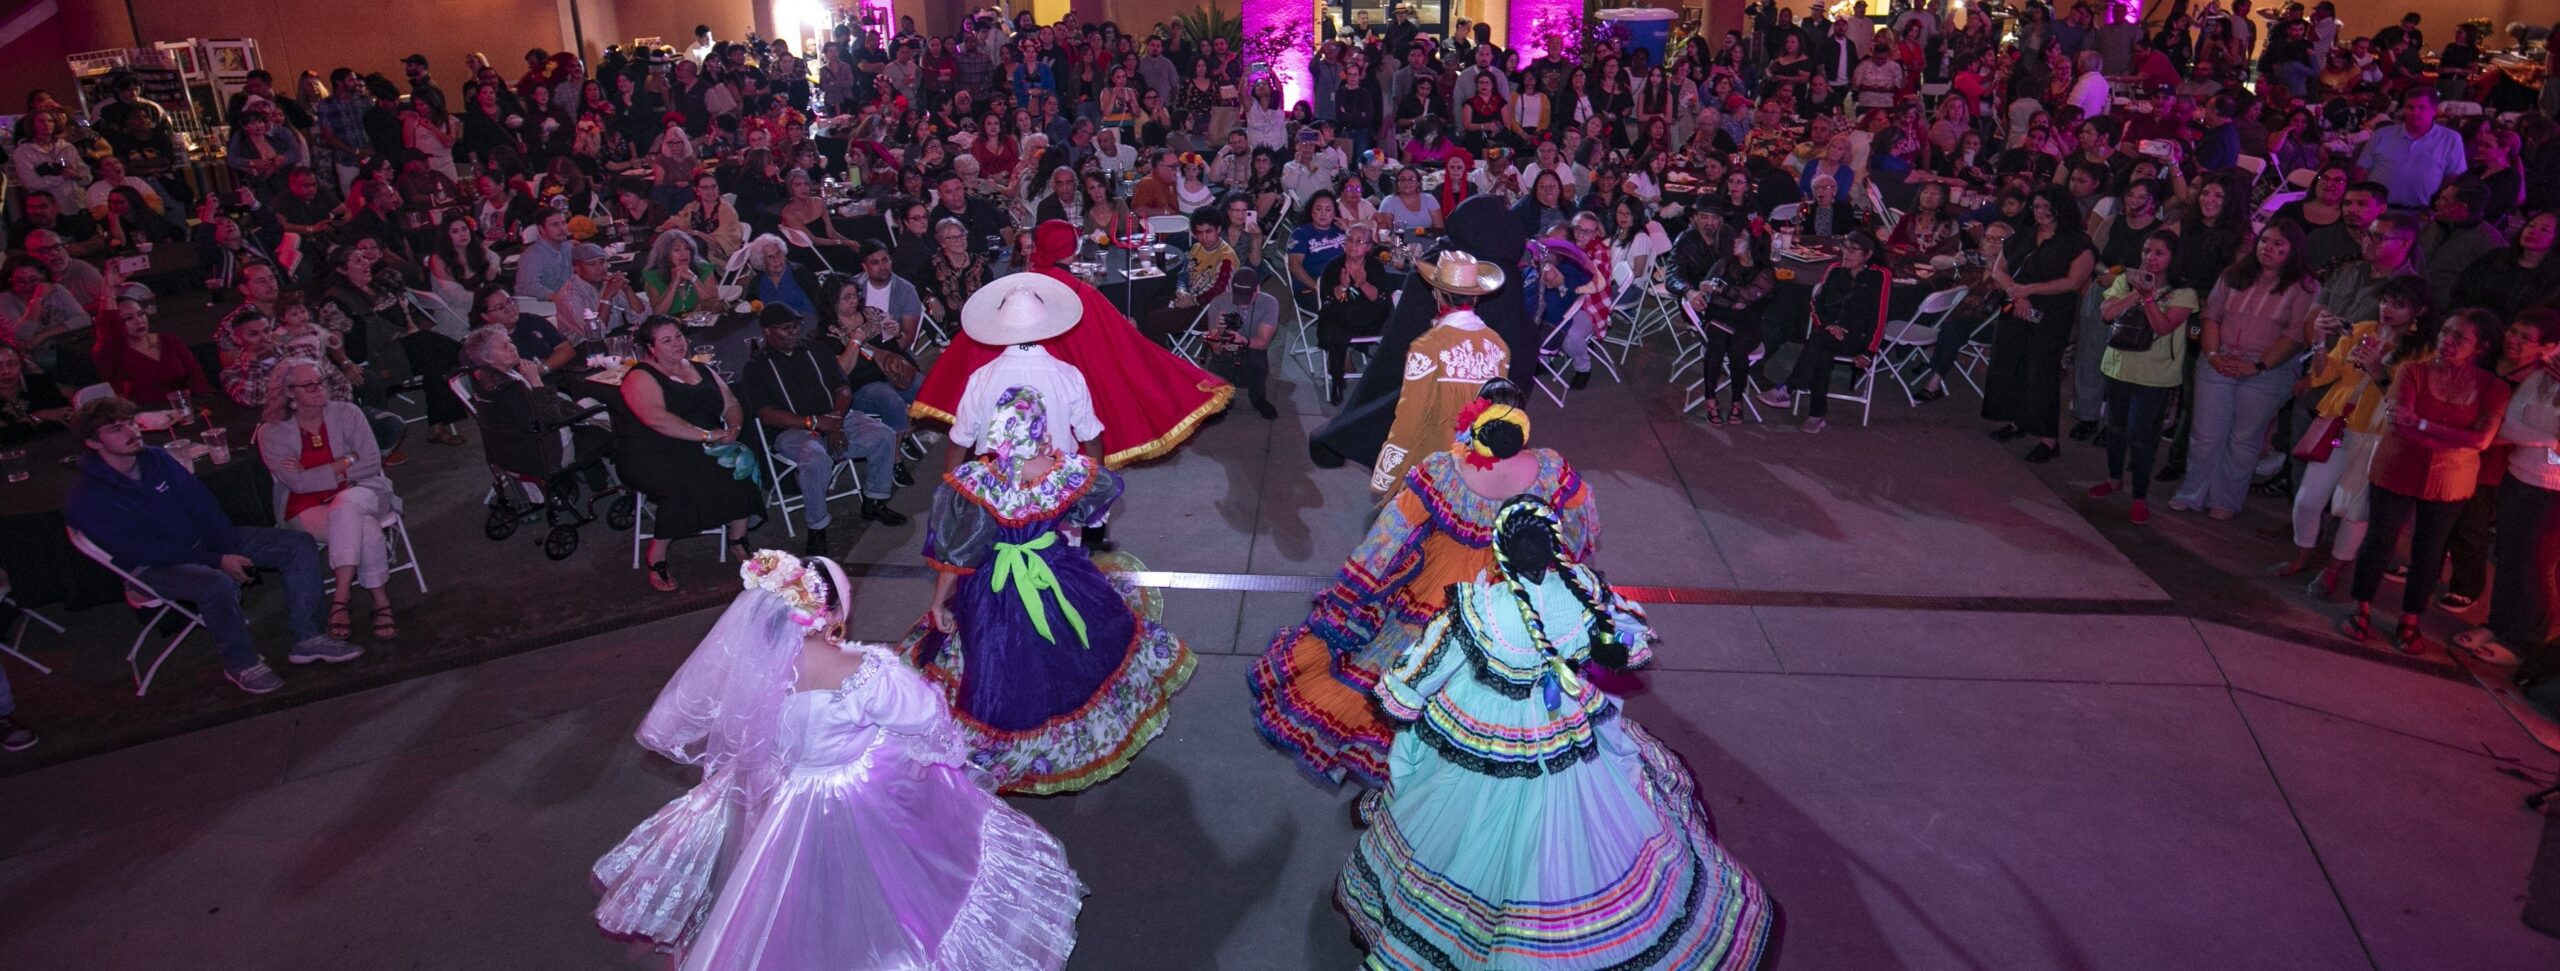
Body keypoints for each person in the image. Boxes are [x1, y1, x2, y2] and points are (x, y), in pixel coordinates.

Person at [1338, 494, 1773, 969]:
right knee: (1580, 819)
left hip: (1485, 731)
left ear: (1500, 551)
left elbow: (1420, 671)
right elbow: (1630, 641)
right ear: (1553, 547)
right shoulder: (1582, 589)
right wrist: (1603, 650)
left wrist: (1396, 697)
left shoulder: (1481, 609)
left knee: (1453, 807)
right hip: (1564, 724)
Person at [592, 550, 1084, 967]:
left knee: (789, 891)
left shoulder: (753, 676)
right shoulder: (865, 672)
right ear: (828, 614)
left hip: (783, 795)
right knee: (889, 882)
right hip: (856, 793)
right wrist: (936, 754)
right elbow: (925, 720)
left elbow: (749, 733)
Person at [1254, 380, 1592, 791]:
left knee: (1411, 673)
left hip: (1438, 589)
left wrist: (1355, 589)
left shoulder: (1442, 471)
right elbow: (1578, 529)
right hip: (1509, 593)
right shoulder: (1553, 469)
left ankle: (1402, 768)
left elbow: (1389, 536)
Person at [902, 384, 1196, 795]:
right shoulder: (1064, 472)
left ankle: (997, 756)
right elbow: (1092, 511)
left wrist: (938, 604)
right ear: (1040, 429)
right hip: (1057, 573)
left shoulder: (976, 484)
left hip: (993, 590)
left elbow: (955, 556)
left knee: (1000, 669)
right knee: (1076, 654)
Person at [63, 395, 363, 694]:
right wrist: (216, 560)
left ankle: (309, 637)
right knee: (215, 583)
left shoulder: (154, 458)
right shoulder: (88, 498)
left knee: (297, 545)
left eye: (130, 422)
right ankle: (241, 664)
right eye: (116, 429)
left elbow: (203, 505)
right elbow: (141, 551)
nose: (131, 432)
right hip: (155, 566)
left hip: (204, 544)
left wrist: (223, 548)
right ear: (93, 443)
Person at [911, 220, 1233, 469]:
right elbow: (1123, 347)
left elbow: (973, 346)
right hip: (1066, 412)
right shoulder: (1080, 294)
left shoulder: (1019, 288)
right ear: (1071, 249)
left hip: (1010, 434)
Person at [2341, 310, 2512, 653]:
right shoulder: (2412, 372)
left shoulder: (2493, 388)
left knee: (2430, 550)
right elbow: (2399, 423)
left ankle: (2411, 618)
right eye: (2445, 331)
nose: (2446, 340)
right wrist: (2451, 436)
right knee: (2379, 539)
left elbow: (2480, 440)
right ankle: (2360, 606)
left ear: (2482, 347)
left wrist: (2422, 425)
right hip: (2397, 466)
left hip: (2450, 480)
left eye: (2459, 337)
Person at [2278, 277, 2436, 596]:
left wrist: (2378, 370)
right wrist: (2320, 339)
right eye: (2385, 301)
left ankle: (2333, 571)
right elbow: (2325, 373)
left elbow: (2408, 402)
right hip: (2339, 425)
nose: (2386, 309)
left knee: (2355, 510)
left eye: (2397, 304)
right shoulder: (2363, 329)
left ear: (2418, 311)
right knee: (2308, 500)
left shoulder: (2424, 353)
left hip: (2381, 438)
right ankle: (2302, 555)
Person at [2171, 220, 2320, 519]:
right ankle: (2191, 491)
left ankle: (2225, 499)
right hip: (2220, 359)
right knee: (2205, 433)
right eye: (2265, 241)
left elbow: (2295, 335)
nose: (2269, 249)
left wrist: (2257, 365)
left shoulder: (2304, 286)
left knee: (2244, 438)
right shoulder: (2234, 274)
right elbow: (2211, 315)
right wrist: (2212, 354)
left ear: (2293, 250)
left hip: (2267, 371)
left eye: (2279, 245)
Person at [739, 304, 909, 555]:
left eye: (797, 325)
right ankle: (817, 525)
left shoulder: (816, 350)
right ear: (768, 332)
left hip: (836, 418)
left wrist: (835, 421)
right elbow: (767, 414)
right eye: (787, 328)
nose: (795, 332)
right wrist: (815, 424)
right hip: (792, 430)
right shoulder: (757, 367)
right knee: (815, 458)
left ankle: (874, 499)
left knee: (882, 435)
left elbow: (843, 389)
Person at [257, 359, 406, 642]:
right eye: (309, 385)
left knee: (345, 504)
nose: (319, 389)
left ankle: (340, 599)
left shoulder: (347, 413)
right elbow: (296, 484)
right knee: (366, 529)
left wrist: (318, 472)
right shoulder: (272, 432)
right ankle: (380, 600)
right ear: (289, 392)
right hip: (305, 505)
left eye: (321, 381)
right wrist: (347, 461)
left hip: (363, 490)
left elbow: (371, 464)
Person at [617, 315, 763, 592]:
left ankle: (738, 537)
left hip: (704, 444)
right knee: (685, 483)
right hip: (654, 450)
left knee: (744, 459)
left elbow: (730, 402)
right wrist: (706, 435)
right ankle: (657, 554)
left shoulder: (699, 368)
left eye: (679, 336)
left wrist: (734, 426)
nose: (677, 344)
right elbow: (656, 419)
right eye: (667, 340)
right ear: (651, 347)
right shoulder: (639, 377)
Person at [1370, 249, 1512, 496]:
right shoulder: (1498, 346)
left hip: (1435, 469)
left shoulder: (1427, 347)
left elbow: (1409, 419)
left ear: (1437, 294)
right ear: (1476, 297)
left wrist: (1384, 477)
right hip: (1480, 468)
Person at [2087, 231, 2199, 525]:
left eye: (2159, 253)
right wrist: (2136, 293)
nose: (2150, 257)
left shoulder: (2184, 293)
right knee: (2114, 428)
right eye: (2147, 251)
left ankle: (2139, 496)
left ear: (2173, 257)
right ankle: (2113, 479)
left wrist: (2149, 299)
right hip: (2120, 366)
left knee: (2140, 437)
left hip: (2155, 373)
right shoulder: (2126, 280)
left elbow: (2163, 328)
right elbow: (2107, 314)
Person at [2484, 310, 2560, 685]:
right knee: (2509, 553)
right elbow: (2510, 420)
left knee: (2536, 561)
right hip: (2519, 475)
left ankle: (2527, 641)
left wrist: (2542, 441)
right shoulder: (2540, 374)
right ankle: (2498, 624)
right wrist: (2544, 439)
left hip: (2553, 490)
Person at [1759, 231, 1891, 433]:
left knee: (1818, 342)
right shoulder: (1835, 270)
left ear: (1868, 254)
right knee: (1822, 350)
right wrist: (1827, 324)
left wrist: (1869, 352)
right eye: (1845, 248)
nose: (1846, 254)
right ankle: (1816, 414)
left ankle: (1790, 388)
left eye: (1853, 250)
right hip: (1828, 334)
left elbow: (1880, 316)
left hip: (1858, 337)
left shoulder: (1880, 276)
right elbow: (1816, 303)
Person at [92, 298, 209, 408]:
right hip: (146, 417)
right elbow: (107, 326)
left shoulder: (169, 341)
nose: (139, 321)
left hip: (186, 409)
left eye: (141, 313)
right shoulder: (113, 354)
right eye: (128, 318)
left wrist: (193, 397)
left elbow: (197, 377)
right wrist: (109, 291)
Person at [1201, 265, 1280, 420]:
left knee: (1257, 356)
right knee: (1218, 361)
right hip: (1225, 351)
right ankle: (1222, 400)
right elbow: (1215, 350)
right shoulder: (1219, 303)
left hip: (1251, 347)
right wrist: (1221, 332)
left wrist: (1243, 341)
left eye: (1247, 296)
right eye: (1238, 295)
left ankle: (1258, 398)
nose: (1242, 302)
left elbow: (1264, 342)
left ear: (1257, 289)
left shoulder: (1269, 303)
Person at [0, 342, 71, 445]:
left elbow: (64, 415)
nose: (5, 371)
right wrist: (39, 417)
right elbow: (4, 437)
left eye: (11, 364)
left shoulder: (39, 383)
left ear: (21, 364)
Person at [640, 230, 721, 316]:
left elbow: (715, 308)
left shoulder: (704, 269)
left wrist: (694, 279)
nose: (683, 253)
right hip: (671, 326)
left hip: (702, 323)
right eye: (676, 250)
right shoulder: (654, 277)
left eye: (687, 248)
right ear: (666, 256)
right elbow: (658, 313)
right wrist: (674, 282)